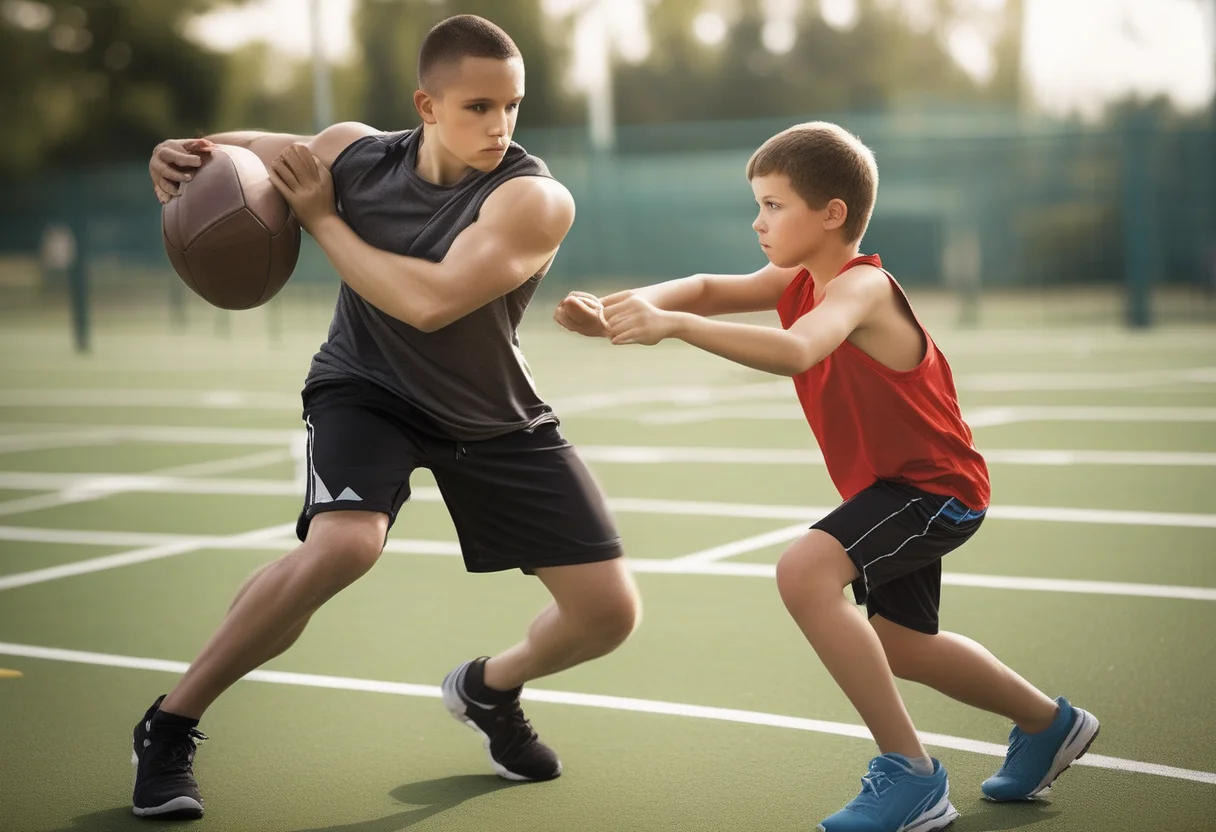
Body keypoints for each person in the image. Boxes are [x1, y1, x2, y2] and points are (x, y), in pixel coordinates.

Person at [134, 14, 640, 819]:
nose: (500, 125)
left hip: (488, 409)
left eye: (512, 105)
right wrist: (177, 154)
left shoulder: (533, 199)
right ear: (426, 105)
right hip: (366, 387)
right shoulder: (350, 153)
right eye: (478, 106)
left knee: (608, 615)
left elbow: (429, 303)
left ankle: (488, 689)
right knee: (344, 545)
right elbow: (239, 150)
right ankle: (169, 725)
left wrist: (323, 220)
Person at [554, 121, 1099, 832]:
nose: (758, 222)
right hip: (895, 490)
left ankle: (912, 775)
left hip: (933, 491)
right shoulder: (799, 279)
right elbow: (707, 287)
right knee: (903, 646)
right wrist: (620, 308)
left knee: (804, 573)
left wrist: (675, 326)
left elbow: (796, 351)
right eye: (758, 205)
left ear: (832, 213)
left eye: (773, 205)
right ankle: (1048, 724)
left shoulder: (861, 287)